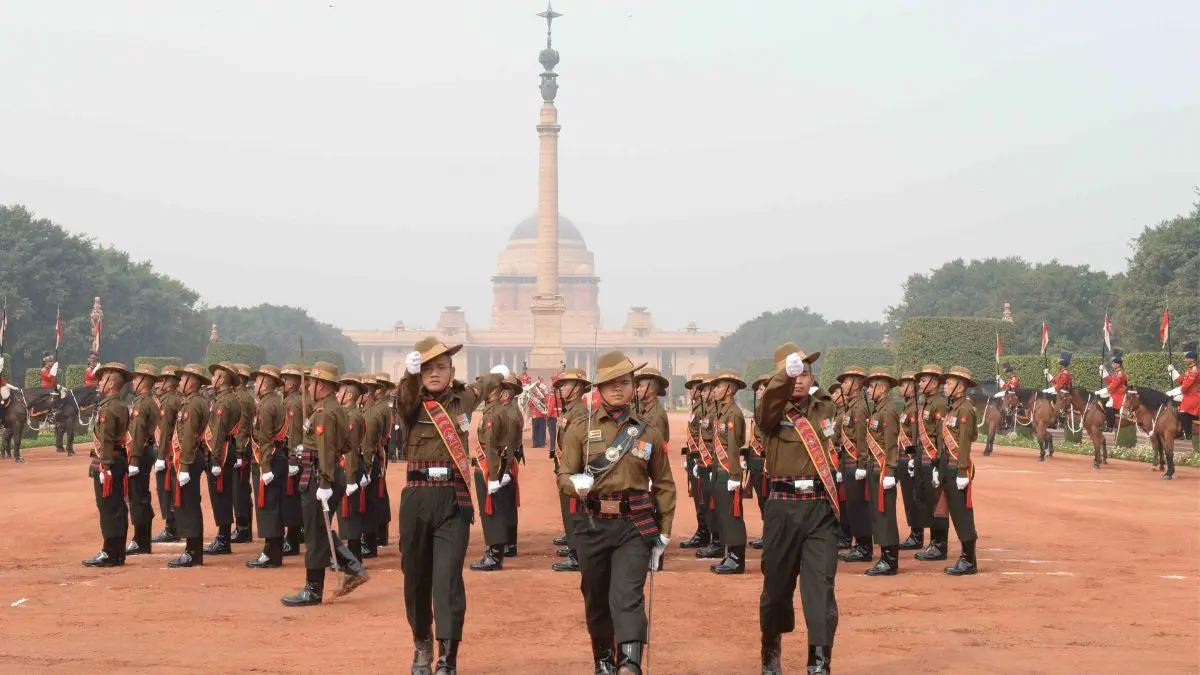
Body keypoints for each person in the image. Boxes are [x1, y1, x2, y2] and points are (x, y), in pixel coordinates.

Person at [557, 350, 675, 675]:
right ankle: (604, 660)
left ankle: (629, 664)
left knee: (627, 595)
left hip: (634, 524)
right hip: (592, 524)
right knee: (596, 598)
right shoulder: (580, 429)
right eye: (611, 384)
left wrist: (663, 532)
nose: (619, 389)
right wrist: (575, 484)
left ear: (633, 385)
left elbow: (664, 483)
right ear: (600, 388)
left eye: (625, 382)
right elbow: (563, 475)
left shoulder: (648, 431)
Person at [395, 337, 487, 673]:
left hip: (453, 499)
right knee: (416, 579)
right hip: (417, 498)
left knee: (448, 580)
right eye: (429, 368)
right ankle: (422, 642)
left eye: (442, 367)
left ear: (452, 371)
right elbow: (403, 398)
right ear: (421, 373)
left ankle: (448, 657)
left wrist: (505, 378)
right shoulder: (411, 402)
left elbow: (485, 386)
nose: (436, 374)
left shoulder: (462, 399)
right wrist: (409, 374)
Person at [756, 343, 839, 675]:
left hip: (819, 509)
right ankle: (770, 648)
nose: (800, 380)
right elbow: (766, 413)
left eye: (804, 373)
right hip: (783, 508)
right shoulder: (772, 411)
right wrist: (782, 381)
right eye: (793, 374)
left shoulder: (825, 408)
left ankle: (818, 663)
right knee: (776, 590)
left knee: (820, 589)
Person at [280, 361, 369, 607]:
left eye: (312, 381)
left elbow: (327, 448)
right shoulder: (334, 409)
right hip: (322, 473)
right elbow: (347, 445)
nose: (307, 385)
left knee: (314, 534)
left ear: (322, 385)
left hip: (320, 476)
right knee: (318, 530)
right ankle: (352, 567)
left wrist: (325, 481)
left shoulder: (324, 412)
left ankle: (314, 589)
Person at [82, 362, 132, 568]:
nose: (99, 383)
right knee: (117, 506)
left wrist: (104, 466)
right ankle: (118, 550)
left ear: (111, 383)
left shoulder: (109, 408)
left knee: (108, 507)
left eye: (102, 380)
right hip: (117, 458)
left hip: (108, 460)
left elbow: (106, 439)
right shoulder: (119, 405)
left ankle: (110, 552)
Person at [467, 372, 515, 572]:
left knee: (491, 511)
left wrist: (494, 476)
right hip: (489, 467)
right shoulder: (493, 411)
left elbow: (493, 447)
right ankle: (494, 551)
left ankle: (494, 555)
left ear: (493, 390)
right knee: (491, 511)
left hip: (488, 468)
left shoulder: (494, 414)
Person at [167, 364, 212, 568]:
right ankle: (192, 550)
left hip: (189, 458)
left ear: (192, 382)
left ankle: (193, 552)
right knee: (187, 503)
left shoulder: (193, 405)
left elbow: (189, 437)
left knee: (189, 505)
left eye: (183, 379)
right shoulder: (192, 402)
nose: (180, 382)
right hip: (191, 457)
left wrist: (184, 465)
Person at [706, 368, 749, 575]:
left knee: (732, 516)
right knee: (723, 514)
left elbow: (734, 445)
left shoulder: (733, 414)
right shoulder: (722, 411)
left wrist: (734, 475)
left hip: (727, 472)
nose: (715, 390)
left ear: (730, 390)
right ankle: (729, 553)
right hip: (719, 470)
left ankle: (737, 558)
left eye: (719, 386)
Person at [939, 366, 980, 576]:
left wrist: (962, 470)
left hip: (958, 467)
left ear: (960, 386)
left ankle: (969, 559)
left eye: (948, 383)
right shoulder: (952, 407)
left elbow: (966, 440)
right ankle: (965, 556)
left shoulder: (965, 409)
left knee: (963, 514)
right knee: (955, 513)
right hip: (949, 465)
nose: (945, 386)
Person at [247, 364, 288, 569]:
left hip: (269, 459)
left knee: (268, 506)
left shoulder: (266, 406)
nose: (255, 384)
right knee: (273, 505)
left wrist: (265, 467)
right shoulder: (274, 402)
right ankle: (273, 550)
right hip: (276, 457)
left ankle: (271, 553)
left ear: (265, 383)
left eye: (258, 380)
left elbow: (265, 438)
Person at [551, 368, 591, 573]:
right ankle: (574, 548)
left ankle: (577, 555)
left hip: (574, 470)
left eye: (565, 385)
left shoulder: (579, 412)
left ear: (577, 389)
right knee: (568, 512)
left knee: (575, 513)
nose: (561, 389)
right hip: (565, 467)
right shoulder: (569, 410)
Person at [861, 367, 901, 576]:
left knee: (885, 516)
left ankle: (890, 559)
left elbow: (892, 444)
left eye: (871, 386)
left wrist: (892, 471)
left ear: (882, 387)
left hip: (884, 469)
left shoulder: (888, 411)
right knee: (878, 515)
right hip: (875, 468)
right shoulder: (878, 410)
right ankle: (884, 556)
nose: (867, 390)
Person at [912, 364, 951, 563]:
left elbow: (942, 436)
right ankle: (933, 542)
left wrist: (937, 463)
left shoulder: (939, 404)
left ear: (934, 383)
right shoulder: (925, 402)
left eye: (924, 380)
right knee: (925, 500)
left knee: (937, 503)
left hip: (933, 458)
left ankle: (940, 544)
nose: (920, 383)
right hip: (922, 457)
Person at [634, 366, 671, 571]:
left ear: (651, 388)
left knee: (653, 511)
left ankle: (655, 557)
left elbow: (657, 444)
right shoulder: (643, 409)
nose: (637, 389)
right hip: (641, 464)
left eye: (640, 385)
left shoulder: (656, 414)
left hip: (649, 466)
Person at [204, 362, 243, 555]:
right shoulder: (229, 399)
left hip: (222, 450)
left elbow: (218, 431)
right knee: (223, 495)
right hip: (228, 448)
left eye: (215, 376)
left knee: (220, 496)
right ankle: (223, 537)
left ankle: (223, 539)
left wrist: (216, 458)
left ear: (222, 379)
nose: (212, 379)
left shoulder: (223, 401)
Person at [835, 366, 873, 564]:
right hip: (847, 463)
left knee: (858, 507)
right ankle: (860, 544)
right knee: (852, 506)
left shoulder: (859, 408)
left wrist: (860, 463)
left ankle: (864, 546)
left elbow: (862, 439)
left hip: (855, 463)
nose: (842, 385)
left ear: (856, 385)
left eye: (846, 381)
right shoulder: (851, 406)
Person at [124, 363, 161, 556]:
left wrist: (134, 460)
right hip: (146, 451)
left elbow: (137, 433)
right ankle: (143, 539)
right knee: (142, 496)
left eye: (137, 378)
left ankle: (140, 540)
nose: (133, 381)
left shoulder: (141, 404)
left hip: (140, 451)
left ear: (145, 382)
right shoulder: (151, 402)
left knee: (137, 497)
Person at [336, 373, 370, 563]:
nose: (337, 393)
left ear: (349, 396)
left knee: (350, 514)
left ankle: (353, 557)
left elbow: (350, 450)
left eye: (340, 391)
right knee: (345, 514)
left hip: (348, 468)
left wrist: (349, 480)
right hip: (346, 467)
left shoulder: (352, 417)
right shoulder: (348, 414)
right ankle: (350, 556)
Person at [679, 373, 713, 551]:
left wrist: (697, 457)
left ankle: (705, 532)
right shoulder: (698, 408)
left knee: (703, 499)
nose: (693, 391)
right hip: (696, 457)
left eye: (696, 388)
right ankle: (703, 530)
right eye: (693, 388)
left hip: (702, 459)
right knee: (699, 498)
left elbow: (705, 437)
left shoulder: (703, 410)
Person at [279, 364, 309, 556]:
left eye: (285, 380)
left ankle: (292, 540)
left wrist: (291, 458)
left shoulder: (292, 403)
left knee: (291, 501)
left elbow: (293, 433)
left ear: (291, 384)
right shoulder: (299, 400)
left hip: (294, 457)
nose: (282, 383)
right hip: (300, 456)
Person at [152, 366, 183, 543]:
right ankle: (174, 526)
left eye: (162, 380)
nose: (158, 383)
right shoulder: (174, 399)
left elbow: (164, 432)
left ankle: (172, 528)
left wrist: (161, 456)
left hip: (169, 452)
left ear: (170, 383)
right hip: (173, 451)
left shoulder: (169, 401)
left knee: (167, 490)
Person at [895, 372, 924, 551]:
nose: (900, 388)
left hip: (909, 459)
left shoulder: (914, 408)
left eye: (904, 384)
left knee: (913, 498)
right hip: (903, 458)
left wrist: (913, 458)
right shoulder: (907, 407)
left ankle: (917, 535)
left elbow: (915, 436)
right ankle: (914, 532)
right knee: (907, 497)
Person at [500, 373, 526, 557]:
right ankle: (509, 543)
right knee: (506, 504)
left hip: (505, 462)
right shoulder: (509, 408)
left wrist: (506, 466)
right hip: (507, 461)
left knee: (504, 505)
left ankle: (508, 544)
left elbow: (508, 442)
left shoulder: (509, 411)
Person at [231, 363, 257, 544]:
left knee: (239, 489)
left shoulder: (241, 398)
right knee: (241, 488)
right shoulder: (244, 396)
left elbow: (242, 426)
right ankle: (243, 527)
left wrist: (239, 451)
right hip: (244, 445)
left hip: (242, 445)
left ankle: (243, 528)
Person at [744, 374, 770, 550]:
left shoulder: (768, 411)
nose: (759, 392)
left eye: (762, 389)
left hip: (764, 462)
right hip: (755, 460)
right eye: (758, 389)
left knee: (767, 500)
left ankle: (769, 534)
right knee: (762, 500)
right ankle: (766, 533)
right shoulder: (760, 409)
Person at [1168, 350, 1198, 440]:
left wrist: (1176, 391)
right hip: (1187, 395)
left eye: (1187, 358)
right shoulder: (1189, 369)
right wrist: (1172, 371)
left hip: (1192, 396)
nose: (1185, 360)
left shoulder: (1194, 370)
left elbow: (1186, 386)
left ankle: (1188, 433)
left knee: (1182, 413)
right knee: (1176, 406)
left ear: (1192, 359)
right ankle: (1179, 431)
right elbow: (1180, 380)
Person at [1100, 356, 1128, 431]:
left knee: (1108, 405)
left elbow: (1115, 384)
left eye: (1113, 363)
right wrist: (1104, 372)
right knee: (1102, 400)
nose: (1112, 365)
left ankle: (1110, 425)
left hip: (1119, 394)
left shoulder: (1120, 373)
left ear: (1118, 364)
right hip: (1114, 393)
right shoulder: (1116, 372)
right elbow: (1110, 380)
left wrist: (1105, 389)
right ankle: (1107, 422)